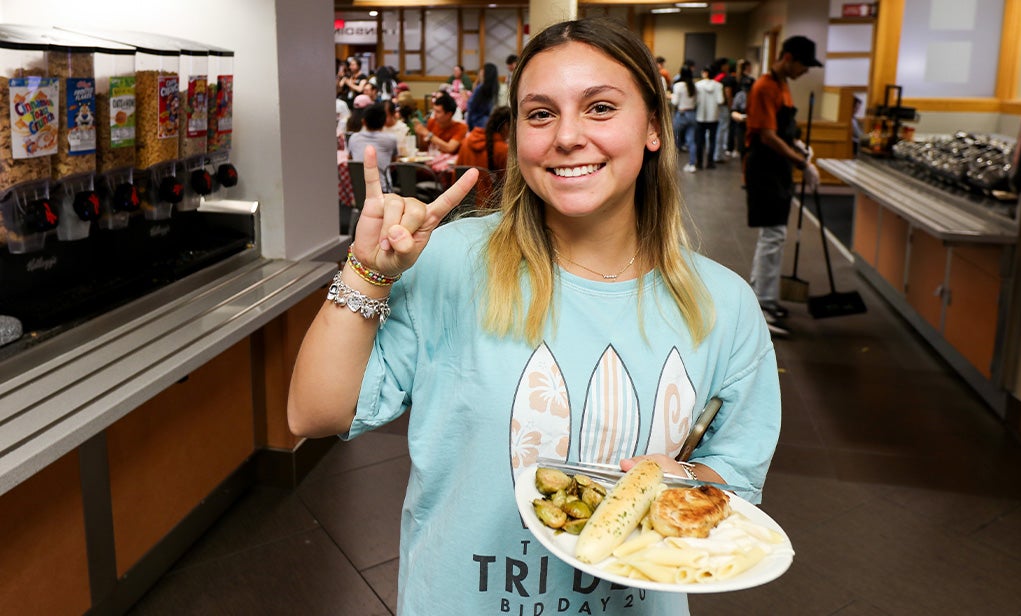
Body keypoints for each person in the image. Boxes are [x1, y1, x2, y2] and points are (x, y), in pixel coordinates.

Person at [287, 15, 780, 616]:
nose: (567, 136)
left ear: (653, 126)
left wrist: (685, 480)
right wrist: (367, 271)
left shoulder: (722, 302)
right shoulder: (451, 263)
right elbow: (314, 414)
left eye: (600, 108)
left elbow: (734, 470)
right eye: (541, 114)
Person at [745, 35, 822, 325]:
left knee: (773, 235)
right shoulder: (764, 87)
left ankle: (762, 294)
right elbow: (767, 135)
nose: (806, 71)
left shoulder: (783, 85)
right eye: (804, 65)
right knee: (773, 235)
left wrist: (799, 146)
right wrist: (801, 162)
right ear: (789, 58)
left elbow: (783, 128)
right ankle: (763, 302)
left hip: (778, 168)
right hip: (764, 168)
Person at [347, 104, 399, 188]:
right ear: (384, 121)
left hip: (358, 191)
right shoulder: (390, 139)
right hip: (383, 191)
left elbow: (350, 159)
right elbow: (393, 162)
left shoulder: (353, 138)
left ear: (363, 121)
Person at [693, 64, 723, 170]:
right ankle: (710, 163)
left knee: (699, 141)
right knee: (712, 140)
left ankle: (699, 163)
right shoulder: (718, 85)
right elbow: (720, 101)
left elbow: (695, 101)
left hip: (700, 116)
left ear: (705, 73)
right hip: (714, 117)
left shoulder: (698, 85)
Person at [670, 66, 697, 172]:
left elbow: (675, 102)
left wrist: (671, 97)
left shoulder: (678, 85)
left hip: (681, 114)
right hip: (692, 113)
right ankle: (692, 164)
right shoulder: (694, 85)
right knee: (691, 140)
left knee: (674, 139)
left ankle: (670, 164)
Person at [465, 62, 499, 129]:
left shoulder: (481, 88)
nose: (480, 71)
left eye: (482, 69)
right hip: (487, 121)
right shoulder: (495, 87)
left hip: (476, 121)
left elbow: (471, 106)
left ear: (485, 72)